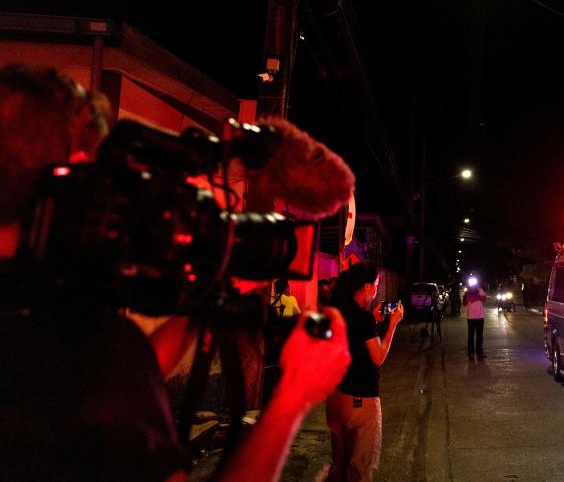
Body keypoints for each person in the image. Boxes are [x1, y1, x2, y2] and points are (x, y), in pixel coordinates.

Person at [0, 64, 352, 482]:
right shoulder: (81, 345)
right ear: (75, 167)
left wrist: (199, 305)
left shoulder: (48, 306)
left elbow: (124, 380)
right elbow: (103, 376)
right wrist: (293, 398)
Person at [326, 262, 404, 482]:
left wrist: (374, 321)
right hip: (360, 400)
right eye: (376, 285)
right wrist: (392, 325)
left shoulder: (337, 311)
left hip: (335, 397)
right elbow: (378, 356)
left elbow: (355, 342)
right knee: (361, 469)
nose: (377, 289)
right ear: (367, 287)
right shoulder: (362, 318)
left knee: (338, 464)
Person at [463, 277, 487, 358]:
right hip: (471, 317)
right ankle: (471, 352)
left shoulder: (480, 290)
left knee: (479, 335)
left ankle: (480, 352)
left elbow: (484, 299)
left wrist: (476, 293)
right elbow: (464, 303)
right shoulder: (467, 292)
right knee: (471, 336)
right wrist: (468, 294)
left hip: (480, 316)